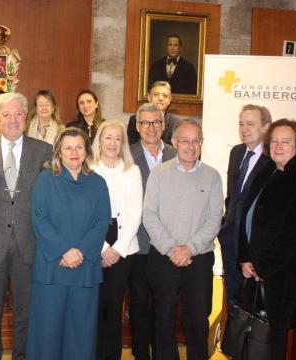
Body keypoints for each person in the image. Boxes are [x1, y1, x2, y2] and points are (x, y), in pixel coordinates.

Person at [26, 127, 111, 359]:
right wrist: (65, 251)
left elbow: (103, 221)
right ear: (59, 152)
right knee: (47, 334)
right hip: (53, 267)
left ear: (87, 151)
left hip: (85, 268)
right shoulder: (46, 180)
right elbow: (40, 219)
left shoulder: (98, 183)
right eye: (68, 148)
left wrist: (80, 252)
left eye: (79, 147)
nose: (74, 152)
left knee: (81, 335)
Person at [0, 93, 52, 360]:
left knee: (27, 313)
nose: (12, 120)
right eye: (6, 115)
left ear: (26, 117)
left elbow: (50, 199)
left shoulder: (44, 150)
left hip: (29, 245)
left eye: (18, 114)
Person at [143, 119, 223, 360]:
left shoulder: (212, 176)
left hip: (198, 260)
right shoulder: (159, 174)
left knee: (197, 321)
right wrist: (171, 249)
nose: (191, 146)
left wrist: (189, 248)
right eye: (185, 140)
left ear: (202, 143)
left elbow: (214, 220)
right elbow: (149, 215)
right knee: (163, 320)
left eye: (196, 140)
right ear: (174, 142)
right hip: (163, 258)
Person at [239, 119, 296, 360]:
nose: (279, 146)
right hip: (257, 267)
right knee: (256, 331)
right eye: (274, 141)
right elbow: (247, 214)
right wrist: (245, 257)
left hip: (282, 274)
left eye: (286, 141)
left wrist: (264, 267)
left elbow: (294, 234)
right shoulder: (268, 171)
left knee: (275, 336)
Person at [128, 102, 177, 360]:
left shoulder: (176, 154)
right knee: (138, 305)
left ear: (164, 125)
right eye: (145, 123)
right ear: (137, 127)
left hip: (168, 246)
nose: (151, 128)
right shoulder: (127, 155)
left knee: (164, 306)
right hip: (139, 245)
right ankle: (140, 354)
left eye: (156, 122)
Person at [91, 119, 143, 360]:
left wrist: (117, 249)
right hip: (94, 241)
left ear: (123, 143)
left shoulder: (132, 170)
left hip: (124, 245)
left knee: (114, 308)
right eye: (107, 137)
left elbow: (136, 213)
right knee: (93, 307)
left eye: (118, 138)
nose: (112, 143)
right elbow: (85, 211)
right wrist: (101, 248)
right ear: (99, 140)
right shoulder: (88, 167)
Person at [219, 104, 272, 301]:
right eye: (241, 124)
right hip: (230, 238)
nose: (244, 129)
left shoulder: (272, 158)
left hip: (253, 244)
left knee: (251, 301)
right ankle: (233, 332)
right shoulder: (237, 152)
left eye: (250, 124)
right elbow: (232, 195)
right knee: (232, 298)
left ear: (265, 127)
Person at [127, 81, 178, 145]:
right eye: (156, 94)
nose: (160, 98)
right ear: (149, 98)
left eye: (165, 96)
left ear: (169, 100)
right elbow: (131, 148)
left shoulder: (176, 123)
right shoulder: (134, 120)